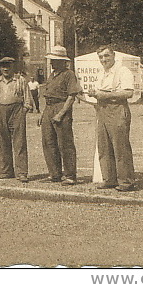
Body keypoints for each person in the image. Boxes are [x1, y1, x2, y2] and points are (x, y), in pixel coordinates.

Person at [87, 45, 136, 191]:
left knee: (120, 147)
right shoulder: (102, 73)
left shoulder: (123, 71)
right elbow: (99, 91)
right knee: (104, 146)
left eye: (106, 56)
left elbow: (128, 93)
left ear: (113, 55)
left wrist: (105, 95)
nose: (104, 59)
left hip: (117, 110)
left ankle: (126, 181)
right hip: (102, 110)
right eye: (101, 57)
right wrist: (94, 93)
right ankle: (109, 179)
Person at [39, 45, 82, 185]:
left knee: (65, 143)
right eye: (51, 60)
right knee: (48, 142)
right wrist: (43, 114)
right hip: (49, 107)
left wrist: (61, 114)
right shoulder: (52, 75)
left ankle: (70, 175)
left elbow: (71, 96)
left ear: (63, 61)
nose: (52, 62)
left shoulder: (68, 74)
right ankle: (54, 173)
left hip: (61, 107)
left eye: (55, 60)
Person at [0, 57, 34, 182]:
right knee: (2, 142)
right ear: (0, 68)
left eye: (8, 66)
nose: (5, 69)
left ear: (13, 67)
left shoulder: (20, 80)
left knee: (19, 142)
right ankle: (6, 171)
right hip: (0, 111)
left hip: (17, 111)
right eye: (3, 66)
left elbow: (28, 99)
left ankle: (22, 172)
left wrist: (23, 112)